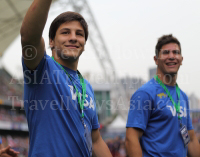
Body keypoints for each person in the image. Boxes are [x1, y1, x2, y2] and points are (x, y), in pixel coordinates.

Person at [20, 0, 112, 156]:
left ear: (84, 43)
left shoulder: (86, 87)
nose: (73, 38)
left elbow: (96, 140)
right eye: (65, 32)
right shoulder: (42, 69)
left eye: (79, 34)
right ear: (51, 41)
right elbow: (29, 38)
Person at [125, 34, 200, 157]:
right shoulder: (144, 94)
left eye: (175, 52)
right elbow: (131, 139)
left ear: (181, 59)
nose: (171, 56)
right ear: (156, 59)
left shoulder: (183, 96)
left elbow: (191, 139)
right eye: (165, 53)